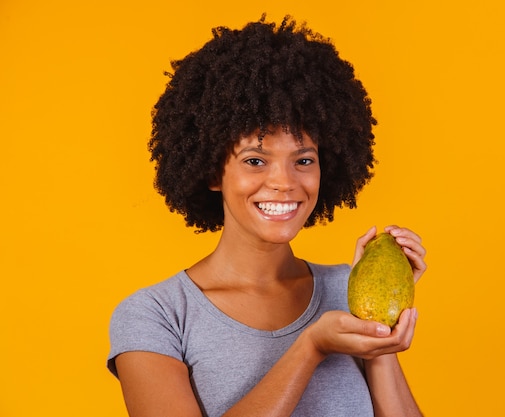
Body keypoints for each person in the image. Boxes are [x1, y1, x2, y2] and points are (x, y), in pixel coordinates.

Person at [107, 15, 427, 417]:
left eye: (303, 159)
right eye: (256, 160)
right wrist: (311, 345)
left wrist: (376, 328)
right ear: (211, 171)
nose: (284, 182)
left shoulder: (346, 290)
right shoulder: (157, 315)